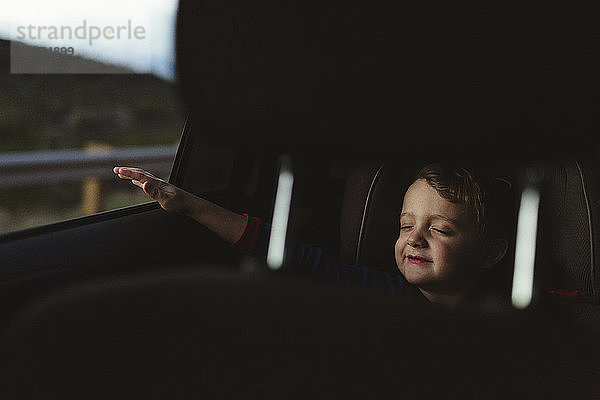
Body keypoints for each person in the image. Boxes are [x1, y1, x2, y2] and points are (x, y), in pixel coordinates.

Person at [113, 162, 513, 307]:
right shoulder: (383, 296)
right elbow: (293, 258)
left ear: (491, 252)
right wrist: (189, 204)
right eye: (406, 225)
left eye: (441, 229)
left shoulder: (522, 319)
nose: (415, 238)